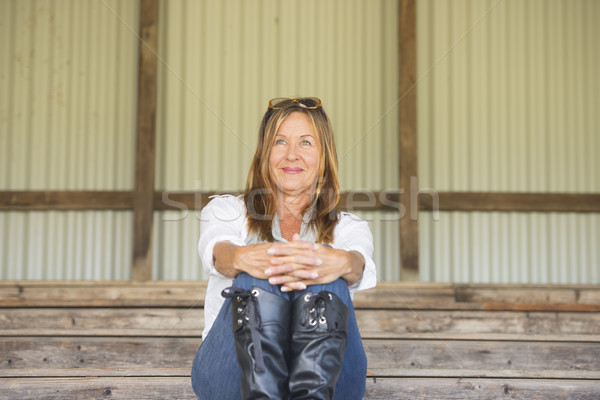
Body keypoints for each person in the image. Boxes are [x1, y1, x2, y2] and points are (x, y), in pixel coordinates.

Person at [191, 97, 377, 400]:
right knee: (254, 278)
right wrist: (243, 258)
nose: (292, 155)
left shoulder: (348, 226)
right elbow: (218, 253)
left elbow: (357, 263)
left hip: (332, 385)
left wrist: (338, 263)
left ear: (324, 156)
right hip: (230, 378)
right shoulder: (227, 210)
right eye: (280, 141)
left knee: (330, 273)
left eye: (306, 143)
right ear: (265, 154)